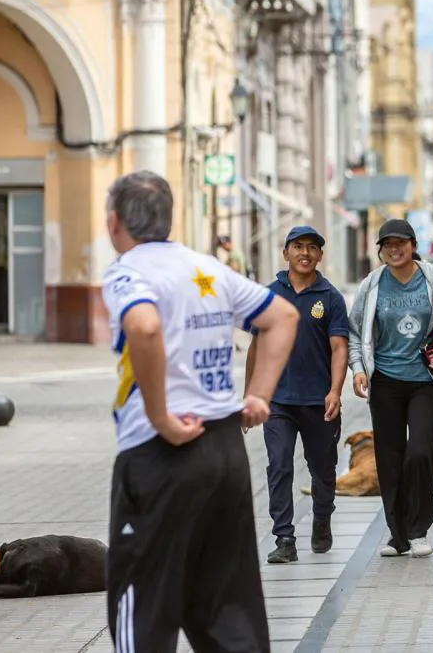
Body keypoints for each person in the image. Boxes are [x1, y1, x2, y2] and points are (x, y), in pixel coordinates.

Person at [100, 171, 298, 650]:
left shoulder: (128, 270)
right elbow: (282, 317)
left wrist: (161, 416)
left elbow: (143, 327)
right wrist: (260, 396)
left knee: (142, 604)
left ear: (114, 223)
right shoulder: (204, 267)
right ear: (169, 219)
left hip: (161, 451)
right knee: (227, 606)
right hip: (224, 450)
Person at [348, 218, 433, 559]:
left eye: (401, 243)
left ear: (413, 245)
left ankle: (419, 527)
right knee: (390, 457)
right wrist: (358, 370)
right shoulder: (372, 284)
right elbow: (354, 331)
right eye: (387, 244)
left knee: (421, 451)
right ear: (381, 250)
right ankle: (397, 534)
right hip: (385, 382)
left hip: (426, 380)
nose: (394, 250)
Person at [246, 225, 349, 564]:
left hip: (318, 401)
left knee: (323, 469)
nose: (305, 253)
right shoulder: (268, 294)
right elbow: (257, 346)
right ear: (286, 252)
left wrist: (335, 390)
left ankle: (322, 517)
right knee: (278, 466)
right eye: (298, 247)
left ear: (320, 255)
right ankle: (285, 538)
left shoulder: (330, 297)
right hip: (277, 400)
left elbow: (338, 348)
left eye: (312, 248)